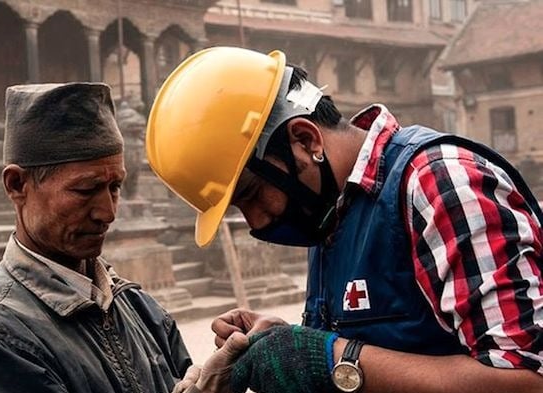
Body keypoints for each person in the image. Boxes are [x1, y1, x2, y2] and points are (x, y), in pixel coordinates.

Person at [146, 46, 543, 393]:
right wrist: (292, 342)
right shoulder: (332, 211)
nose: (255, 220)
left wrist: (333, 357)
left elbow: (527, 379)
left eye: (250, 195)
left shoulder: (439, 182)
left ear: (305, 140)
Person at [0, 82, 191, 392]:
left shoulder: (138, 307)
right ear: (17, 185)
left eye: (115, 188)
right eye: (85, 190)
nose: (108, 212)